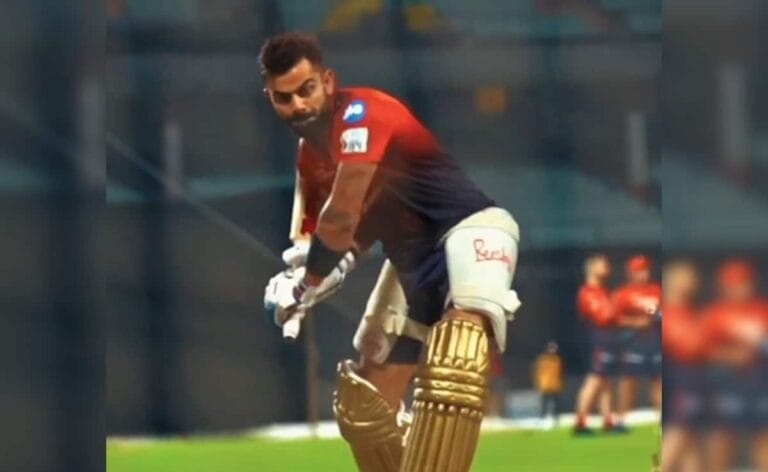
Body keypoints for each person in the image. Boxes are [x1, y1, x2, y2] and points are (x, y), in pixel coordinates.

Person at [259, 32, 521, 472]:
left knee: (455, 362)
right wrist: (303, 284)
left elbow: (341, 218)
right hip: (409, 263)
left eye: (306, 90)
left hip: (468, 231)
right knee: (365, 409)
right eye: (284, 98)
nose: (299, 105)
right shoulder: (310, 156)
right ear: (270, 98)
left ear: (328, 81)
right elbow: (329, 243)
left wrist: (307, 284)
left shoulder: (362, 114)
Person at [699, 259, 768, 472]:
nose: (739, 288)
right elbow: (699, 350)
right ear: (723, 286)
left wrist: (757, 350)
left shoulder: (763, 309)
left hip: (761, 381)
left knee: (763, 435)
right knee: (722, 436)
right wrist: (729, 356)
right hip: (726, 382)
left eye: (743, 282)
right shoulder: (715, 313)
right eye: (733, 283)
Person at [660, 260, 705, 472]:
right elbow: (689, 347)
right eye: (688, 277)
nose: (694, 282)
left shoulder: (688, 312)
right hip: (680, 384)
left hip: (692, 382)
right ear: (674, 281)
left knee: (690, 442)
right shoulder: (668, 313)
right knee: (680, 433)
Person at [612, 254, 662, 432]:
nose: (643, 274)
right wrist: (635, 322)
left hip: (655, 342)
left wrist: (657, 316)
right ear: (630, 272)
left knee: (658, 381)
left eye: (645, 269)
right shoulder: (623, 294)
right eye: (639, 270)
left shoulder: (656, 290)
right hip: (633, 343)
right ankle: (620, 420)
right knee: (628, 382)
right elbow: (614, 318)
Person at [573, 253, 618, 434]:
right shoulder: (588, 293)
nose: (607, 267)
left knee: (605, 381)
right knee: (595, 379)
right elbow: (603, 316)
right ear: (592, 268)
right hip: (596, 341)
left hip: (606, 340)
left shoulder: (603, 291)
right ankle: (580, 421)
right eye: (602, 264)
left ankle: (608, 420)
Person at [533, 341, 564, 427]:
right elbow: (537, 372)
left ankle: (555, 417)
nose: (552, 351)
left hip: (554, 384)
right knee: (544, 402)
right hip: (544, 384)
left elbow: (560, 372)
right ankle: (542, 417)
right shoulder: (542, 359)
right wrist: (537, 383)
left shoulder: (557, 359)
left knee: (555, 402)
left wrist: (560, 383)